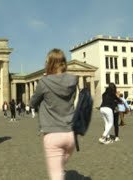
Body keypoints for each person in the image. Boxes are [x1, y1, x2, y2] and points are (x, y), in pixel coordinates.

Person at [30, 49, 78, 180]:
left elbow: (32, 102)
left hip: (52, 134)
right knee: (59, 168)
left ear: (49, 63)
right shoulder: (73, 80)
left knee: (56, 175)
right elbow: (71, 100)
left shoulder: (44, 82)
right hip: (70, 134)